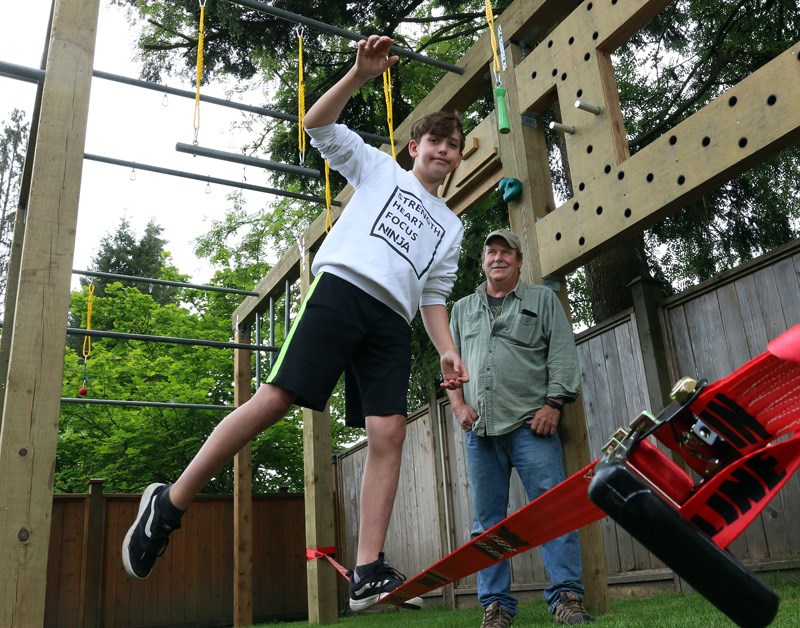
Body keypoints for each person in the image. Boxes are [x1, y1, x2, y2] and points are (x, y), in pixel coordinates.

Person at [122, 34, 470, 613]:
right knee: (273, 401)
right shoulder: (379, 171)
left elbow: (433, 295)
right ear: (414, 146)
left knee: (390, 434)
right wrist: (359, 74)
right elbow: (317, 123)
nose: (444, 149)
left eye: (454, 145)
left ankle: (366, 571)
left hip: (391, 321)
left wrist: (447, 350)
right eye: (436, 139)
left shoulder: (451, 228)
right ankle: (170, 502)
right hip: (341, 293)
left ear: (459, 157)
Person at [446, 229, 593, 626]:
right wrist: (458, 405)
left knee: (553, 511)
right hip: (480, 432)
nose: (498, 258)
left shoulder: (543, 299)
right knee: (486, 524)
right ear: (483, 262)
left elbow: (562, 352)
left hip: (533, 426)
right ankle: (496, 606)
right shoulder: (461, 309)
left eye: (505, 252)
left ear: (518, 261)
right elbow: (450, 365)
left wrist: (553, 404)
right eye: (491, 252)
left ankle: (567, 598)